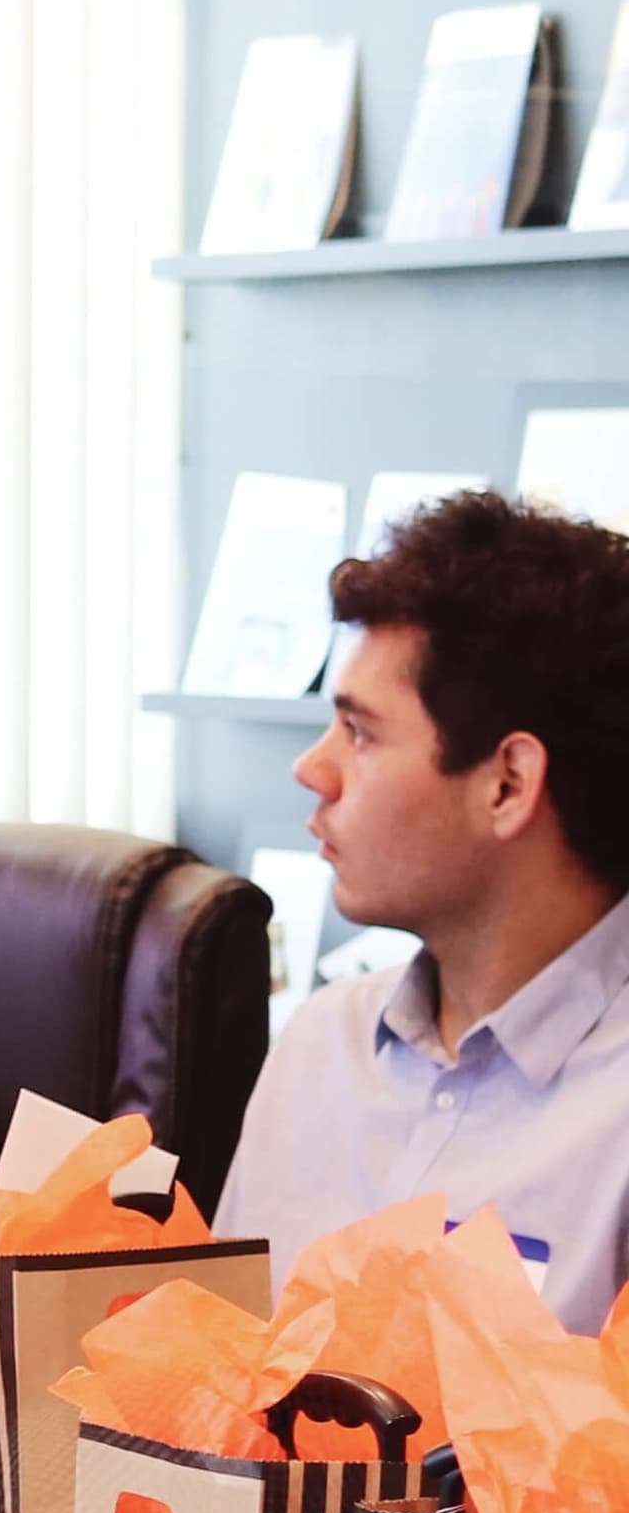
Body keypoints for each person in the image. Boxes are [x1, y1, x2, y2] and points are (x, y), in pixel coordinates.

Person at [217, 493, 629, 1327]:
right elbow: (206, 1410)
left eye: (360, 734)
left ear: (507, 784)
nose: (312, 769)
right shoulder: (317, 1047)